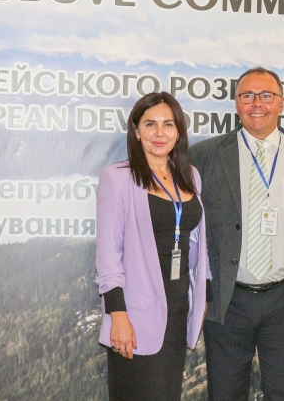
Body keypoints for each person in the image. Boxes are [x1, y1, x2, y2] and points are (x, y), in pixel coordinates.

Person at [191, 67, 284, 401]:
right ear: (236, 103)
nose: (257, 103)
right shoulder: (203, 157)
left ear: (281, 103)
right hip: (227, 300)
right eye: (247, 95)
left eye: (266, 95)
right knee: (225, 394)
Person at [95, 92, 211, 401]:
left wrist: (203, 296)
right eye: (150, 124)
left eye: (168, 124)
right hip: (135, 317)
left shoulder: (190, 176)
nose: (160, 133)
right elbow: (108, 255)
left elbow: (197, 243)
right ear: (136, 131)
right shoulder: (117, 178)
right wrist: (117, 315)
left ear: (179, 131)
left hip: (178, 311)